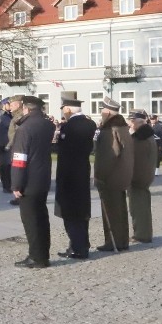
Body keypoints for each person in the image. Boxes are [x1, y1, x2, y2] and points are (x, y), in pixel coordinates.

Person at [10, 95, 55, 269]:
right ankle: (43, 254)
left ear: (26, 108)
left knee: (31, 220)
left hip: (28, 180)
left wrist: (16, 184)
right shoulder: (47, 124)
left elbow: (20, 158)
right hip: (43, 177)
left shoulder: (25, 128)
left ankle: (36, 257)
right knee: (42, 218)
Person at [54, 93, 97, 260]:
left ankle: (77, 247)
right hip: (83, 171)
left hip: (69, 174)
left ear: (69, 109)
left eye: (64, 109)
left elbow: (64, 150)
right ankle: (82, 244)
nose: (64, 112)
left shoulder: (69, 126)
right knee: (82, 212)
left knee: (71, 213)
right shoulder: (90, 123)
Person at [93, 97, 134, 252]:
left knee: (111, 211)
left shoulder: (110, 129)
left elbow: (108, 155)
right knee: (120, 210)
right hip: (121, 175)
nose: (101, 113)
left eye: (102, 110)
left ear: (108, 112)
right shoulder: (122, 127)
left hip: (111, 177)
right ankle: (122, 240)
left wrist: (99, 176)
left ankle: (113, 241)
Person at [128, 110, 157, 244]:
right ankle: (142, 233)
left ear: (136, 122)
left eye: (131, 121)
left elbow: (135, 158)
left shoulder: (140, 137)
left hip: (139, 177)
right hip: (144, 175)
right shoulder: (146, 135)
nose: (129, 124)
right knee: (140, 207)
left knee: (138, 208)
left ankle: (142, 235)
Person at [0, 98, 13, 193]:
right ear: (5, 105)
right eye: (9, 104)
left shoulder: (5, 115)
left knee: (7, 165)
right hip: (4, 144)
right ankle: (6, 185)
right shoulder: (2, 115)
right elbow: (10, 126)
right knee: (6, 165)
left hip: (5, 143)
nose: (11, 105)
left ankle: (7, 185)